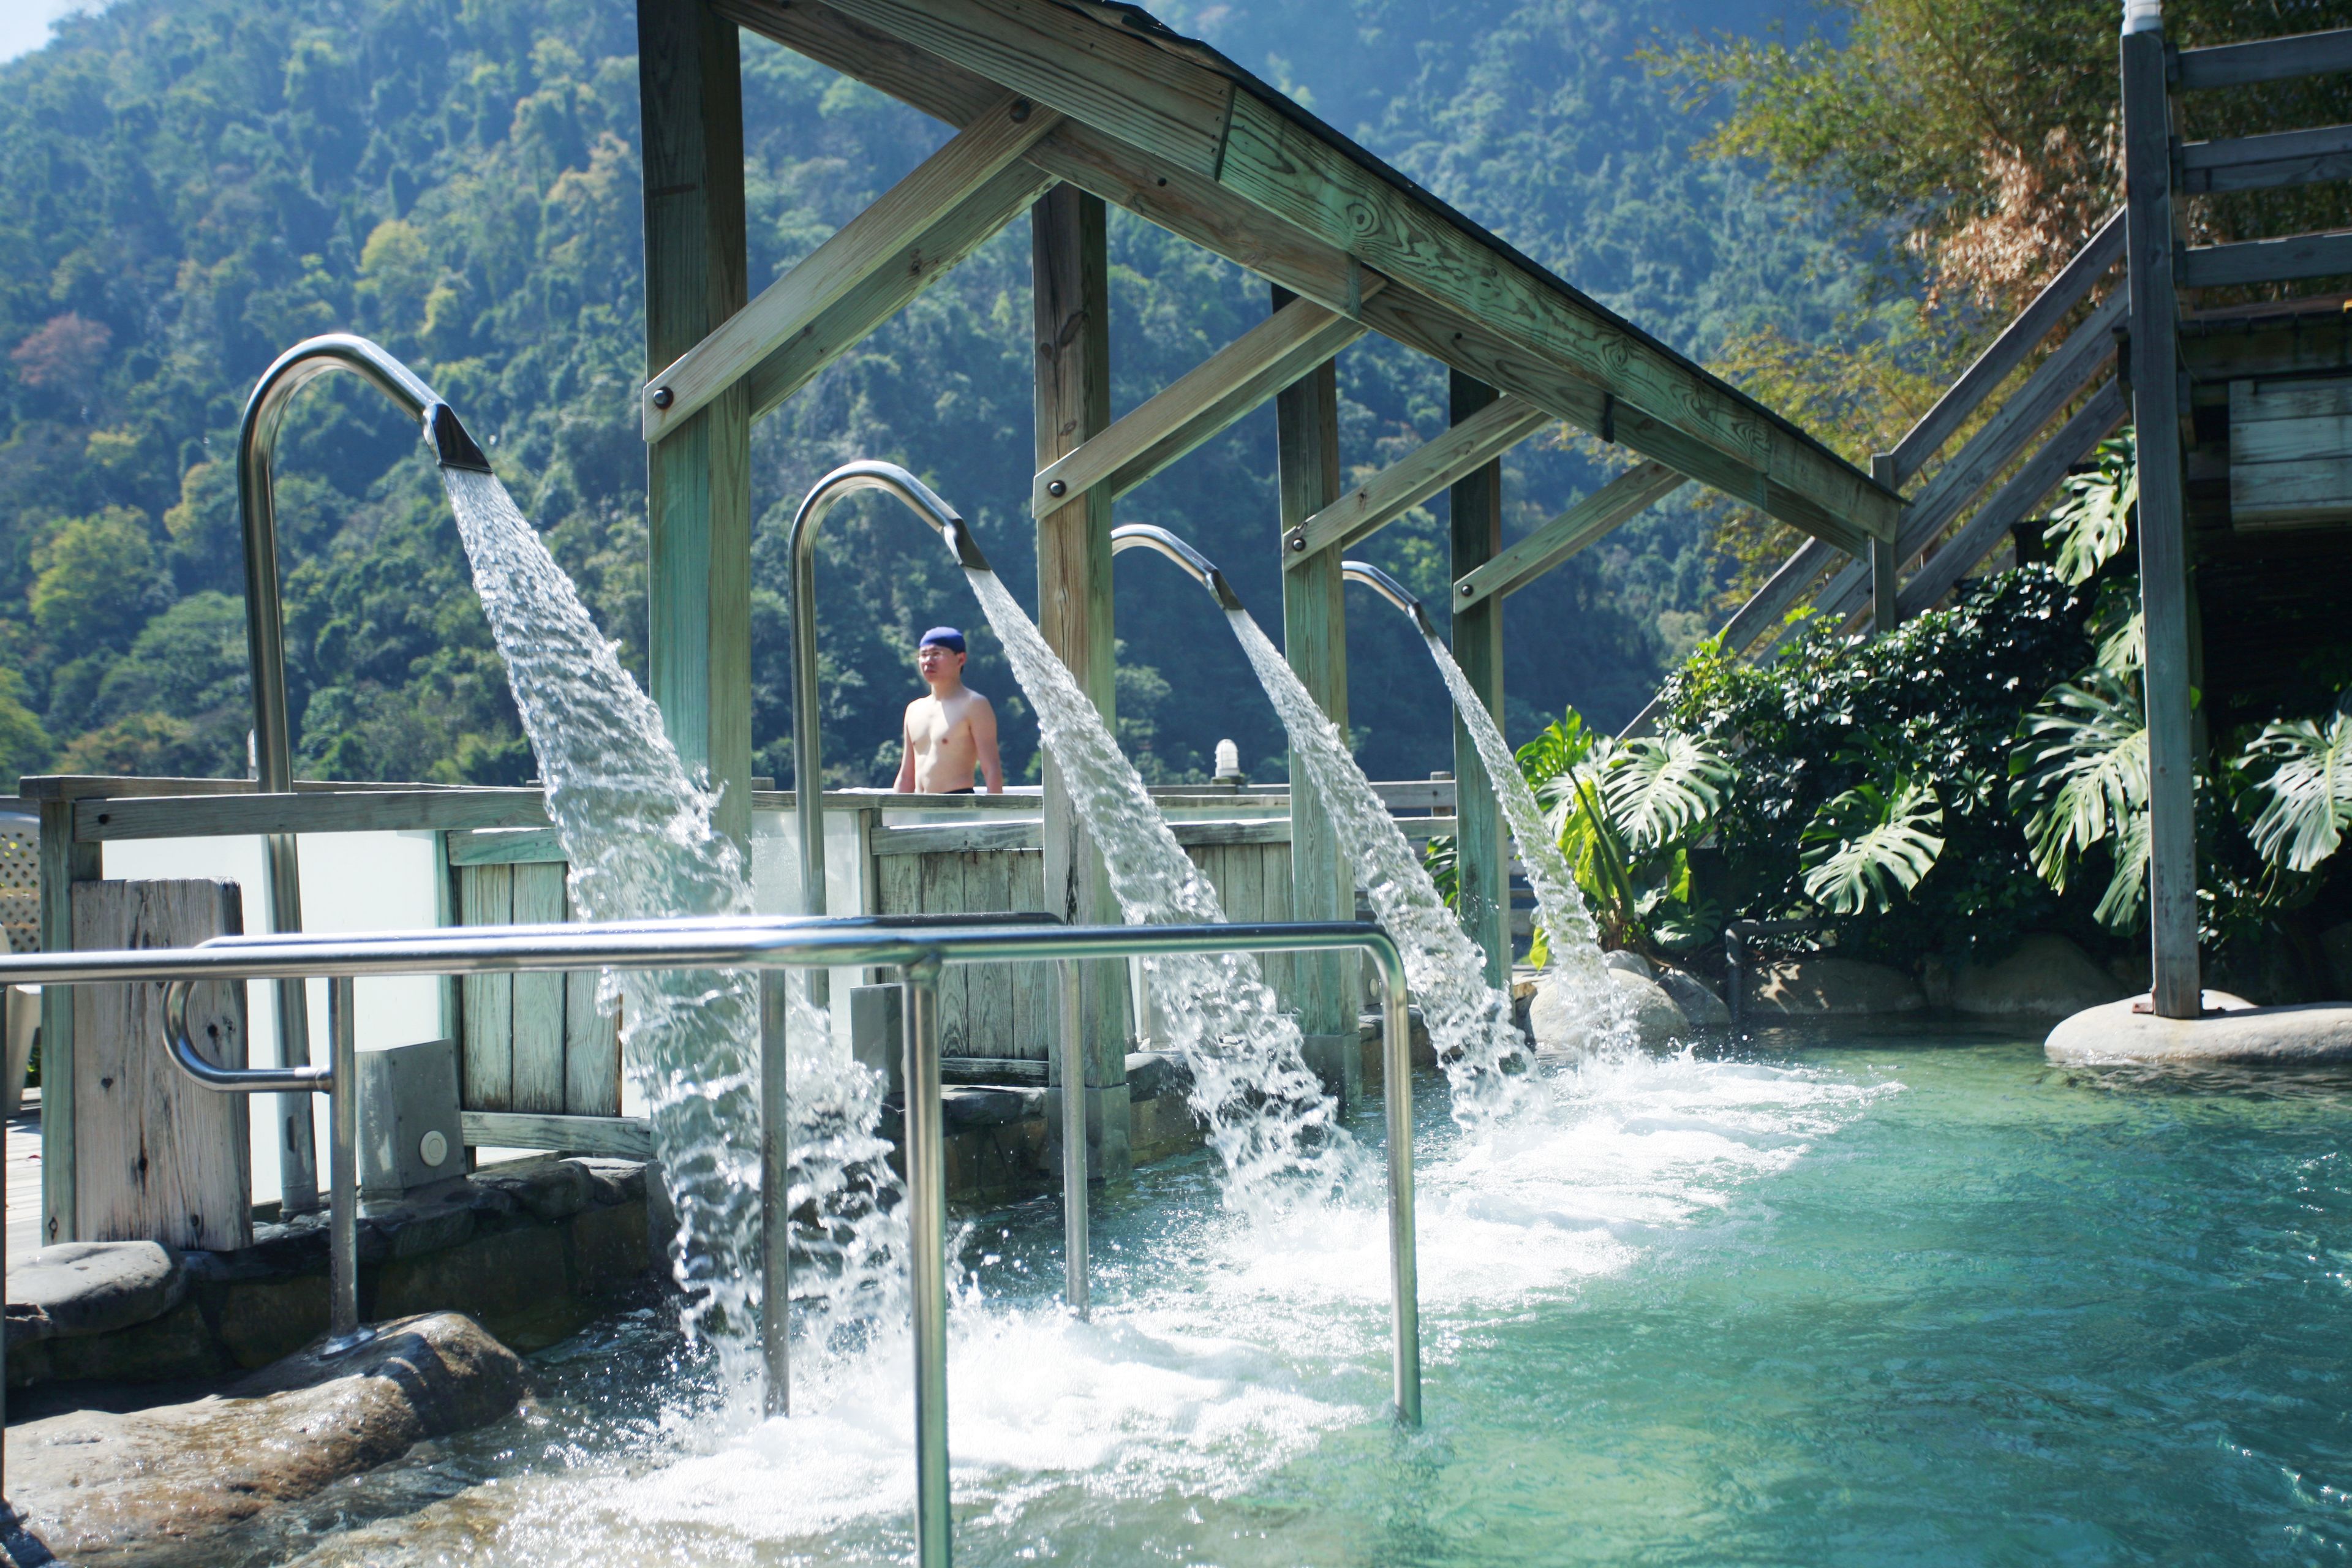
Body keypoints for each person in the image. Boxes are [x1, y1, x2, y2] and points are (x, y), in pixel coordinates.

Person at [893, 626, 1003, 794]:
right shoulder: (914, 709)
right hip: (919, 807)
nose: (928, 661)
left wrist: (997, 813)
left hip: (958, 807)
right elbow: (907, 775)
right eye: (923, 655)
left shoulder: (974, 704)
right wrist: (894, 816)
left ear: (960, 659)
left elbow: (991, 768)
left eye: (937, 654)